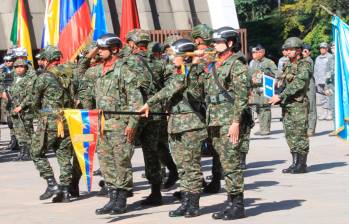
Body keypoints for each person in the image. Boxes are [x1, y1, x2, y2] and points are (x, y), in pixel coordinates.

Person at [139, 38, 207, 218]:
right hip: (177, 125)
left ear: (184, 56)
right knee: (182, 167)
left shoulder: (193, 72)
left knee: (191, 166)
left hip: (191, 126)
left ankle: (193, 203)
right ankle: (185, 201)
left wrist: (149, 103)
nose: (171, 58)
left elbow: (171, 89)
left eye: (175, 55)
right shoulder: (180, 72)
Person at [205, 27, 252, 220]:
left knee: (233, 165)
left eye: (217, 42)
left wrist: (235, 122)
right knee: (225, 163)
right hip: (216, 120)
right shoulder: (215, 64)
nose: (214, 45)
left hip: (230, 121)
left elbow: (242, 97)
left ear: (230, 43)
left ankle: (238, 206)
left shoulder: (237, 65)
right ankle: (230, 202)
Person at [93, 34, 141, 215]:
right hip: (103, 124)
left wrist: (132, 124)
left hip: (121, 124)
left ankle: (121, 198)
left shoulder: (124, 71)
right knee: (106, 162)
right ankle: (112, 196)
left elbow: (135, 100)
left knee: (121, 162)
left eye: (103, 49)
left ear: (114, 49)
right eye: (99, 48)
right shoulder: (99, 70)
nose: (99, 52)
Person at [30, 45, 75, 202]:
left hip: (50, 121)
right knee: (64, 156)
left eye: (42, 59)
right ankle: (65, 191)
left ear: (48, 60)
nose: (41, 62)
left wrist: (39, 113)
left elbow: (33, 101)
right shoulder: (68, 74)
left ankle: (51, 183)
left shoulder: (44, 77)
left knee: (35, 152)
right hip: (68, 119)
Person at [125, 29, 163, 206]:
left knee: (125, 150)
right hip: (154, 112)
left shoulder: (128, 61)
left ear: (133, 43)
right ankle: (156, 192)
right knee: (151, 152)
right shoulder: (156, 61)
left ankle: (122, 190)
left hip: (137, 111)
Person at [269, 37, 311, 174]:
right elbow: (282, 82)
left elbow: (298, 84)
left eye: (290, 49)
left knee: (300, 134)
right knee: (290, 134)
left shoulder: (305, 64)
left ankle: (302, 164)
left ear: (298, 50)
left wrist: (280, 96)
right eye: (286, 49)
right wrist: (274, 87)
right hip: (287, 105)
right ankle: (294, 163)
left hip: (298, 104)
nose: (287, 52)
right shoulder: (286, 65)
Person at [7, 59, 35, 161]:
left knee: (28, 131)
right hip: (15, 110)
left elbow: (31, 95)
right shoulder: (15, 79)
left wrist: (21, 106)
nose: (19, 69)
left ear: (26, 68)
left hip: (25, 110)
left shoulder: (29, 80)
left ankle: (31, 152)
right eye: (16, 67)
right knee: (19, 131)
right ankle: (23, 151)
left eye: (21, 66)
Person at [249, 44, 278, 136]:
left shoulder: (269, 62)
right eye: (254, 52)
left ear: (262, 52)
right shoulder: (252, 62)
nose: (255, 54)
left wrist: (275, 82)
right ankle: (262, 127)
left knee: (265, 108)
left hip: (265, 87)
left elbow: (276, 73)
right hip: (255, 88)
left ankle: (265, 129)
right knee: (257, 108)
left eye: (257, 52)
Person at [314, 42, 333, 120]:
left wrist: (328, 79)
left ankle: (330, 113)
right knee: (322, 98)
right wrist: (315, 80)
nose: (322, 49)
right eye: (321, 48)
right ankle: (324, 113)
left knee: (329, 97)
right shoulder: (318, 58)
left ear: (327, 49)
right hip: (319, 81)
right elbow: (315, 69)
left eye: (324, 48)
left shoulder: (330, 57)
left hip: (327, 81)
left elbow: (332, 69)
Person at [302, 44, 316, 136]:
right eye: (303, 51)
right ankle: (306, 128)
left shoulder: (309, 60)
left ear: (309, 52)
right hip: (303, 86)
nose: (304, 53)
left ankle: (311, 129)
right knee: (304, 108)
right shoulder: (302, 60)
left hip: (310, 86)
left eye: (306, 51)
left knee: (311, 108)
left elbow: (308, 72)